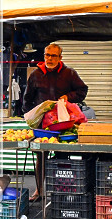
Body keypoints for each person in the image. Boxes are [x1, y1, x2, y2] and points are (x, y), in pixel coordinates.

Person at [22, 43, 89, 201]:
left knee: (62, 155)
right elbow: (27, 99)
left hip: (63, 124)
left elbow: (82, 91)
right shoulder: (36, 74)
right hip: (42, 126)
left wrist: (68, 97)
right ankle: (39, 190)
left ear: (60, 57)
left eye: (53, 56)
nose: (49, 58)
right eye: (47, 55)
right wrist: (32, 116)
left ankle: (61, 190)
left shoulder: (69, 73)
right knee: (41, 157)